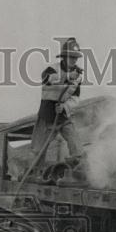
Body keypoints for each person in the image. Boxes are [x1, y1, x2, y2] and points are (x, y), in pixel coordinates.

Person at [30, 37, 84, 165]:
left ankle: (78, 172)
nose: (74, 60)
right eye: (72, 57)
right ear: (64, 57)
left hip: (63, 116)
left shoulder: (78, 76)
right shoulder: (52, 69)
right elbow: (46, 82)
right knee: (38, 150)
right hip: (47, 116)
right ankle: (35, 173)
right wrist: (66, 76)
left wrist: (65, 107)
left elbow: (75, 98)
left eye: (76, 58)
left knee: (76, 147)